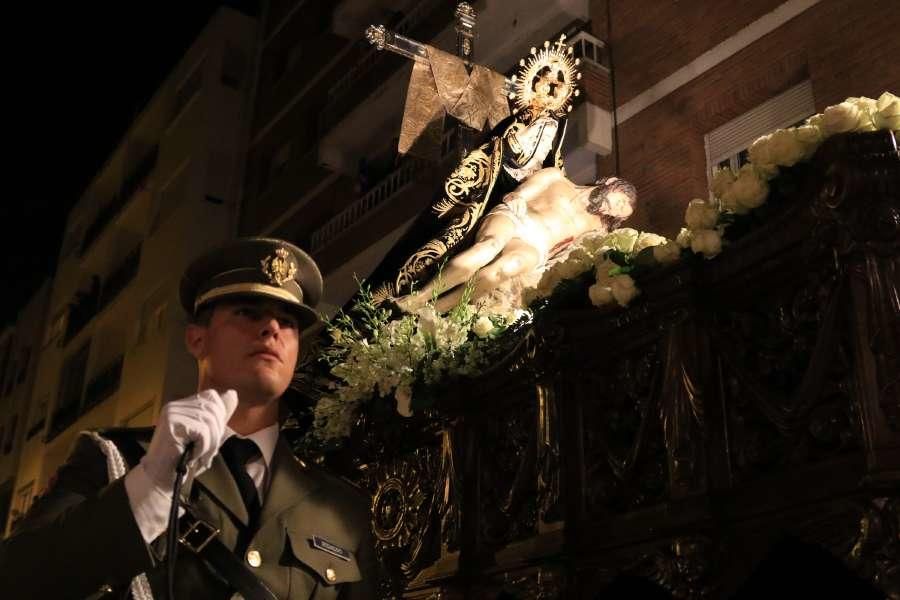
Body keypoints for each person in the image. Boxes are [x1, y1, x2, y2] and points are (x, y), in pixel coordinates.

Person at [0, 238, 378, 599]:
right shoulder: (117, 458)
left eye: (288, 321)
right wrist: (150, 489)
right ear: (197, 340)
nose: (272, 329)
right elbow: (16, 581)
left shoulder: (340, 507)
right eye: (248, 312)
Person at [396, 169, 637, 313]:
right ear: (610, 182)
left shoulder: (597, 229)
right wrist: (518, 198)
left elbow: (574, 258)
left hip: (536, 246)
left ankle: (436, 310)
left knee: (507, 267)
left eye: (621, 212)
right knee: (488, 248)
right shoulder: (557, 178)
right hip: (517, 218)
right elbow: (522, 193)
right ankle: (419, 298)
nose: (616, 209)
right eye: (621, 200)